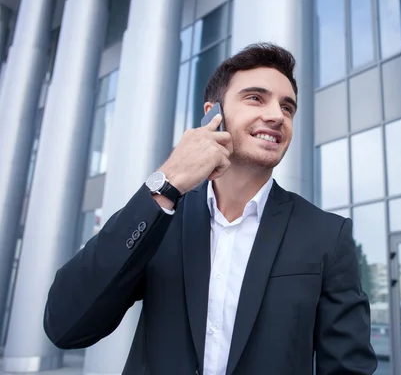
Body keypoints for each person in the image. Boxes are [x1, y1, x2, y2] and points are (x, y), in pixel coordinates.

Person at [43, 43, 378, 375]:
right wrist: (168, 180)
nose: (277, 115)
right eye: (255, 98)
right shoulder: (161, 218)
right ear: (212, 115)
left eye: (287, 107)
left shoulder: (326, 235)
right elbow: (65, 325)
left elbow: (348, 368)